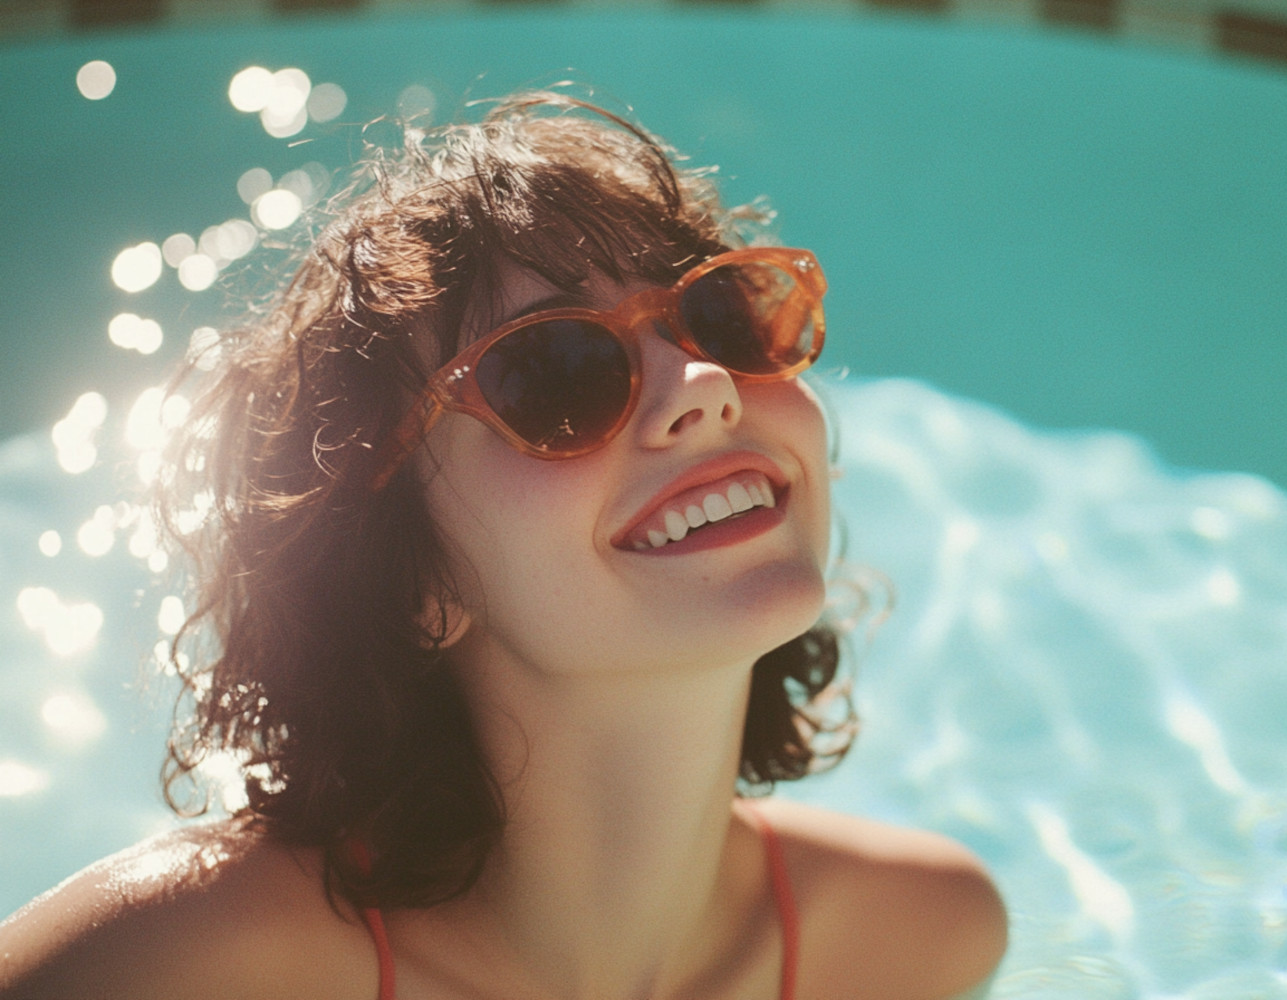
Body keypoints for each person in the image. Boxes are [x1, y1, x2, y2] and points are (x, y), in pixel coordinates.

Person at [0, 90, 1005, 1000]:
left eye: (723, 315)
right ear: (410, 576)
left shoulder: (916, 943)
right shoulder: (180, 970)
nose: (704, 387)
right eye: (557, 372)